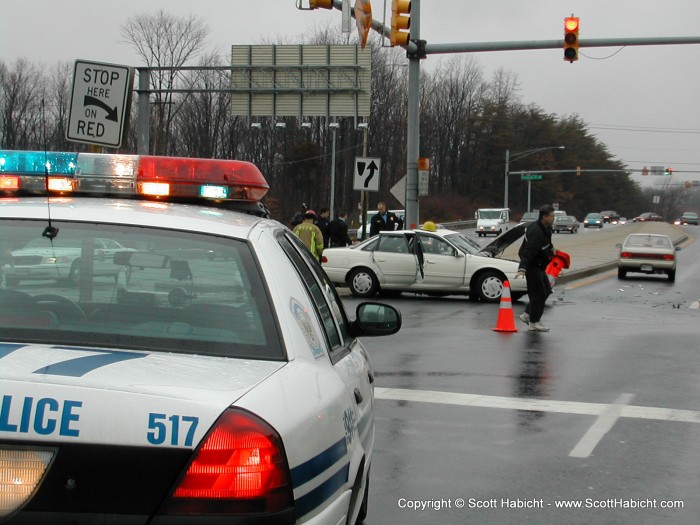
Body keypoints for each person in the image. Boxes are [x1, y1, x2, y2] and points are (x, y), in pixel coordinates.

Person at [514, 204, 556, 332]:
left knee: (547, 290)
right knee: (538, 294)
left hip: (540, 266)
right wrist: (522, 269)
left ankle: (527, 314)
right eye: (552, 216)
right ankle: (534, 322)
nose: (554, 218)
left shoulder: (546, 228)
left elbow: (547, 243)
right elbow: (528, 252)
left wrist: (552, 250)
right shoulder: (536, 232)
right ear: (544, 217)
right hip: (532, 266)